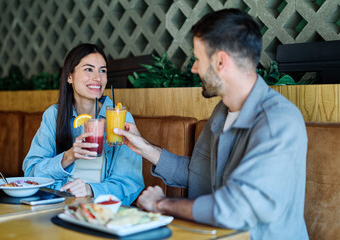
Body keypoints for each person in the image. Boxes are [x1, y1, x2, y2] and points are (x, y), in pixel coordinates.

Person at [114, 9, 309, 239]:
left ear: (220, 61)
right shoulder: (221, 112)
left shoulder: (278, 122)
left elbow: (235, 210)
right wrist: (144, 148)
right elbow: (199, 174)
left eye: (198, 59)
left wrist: (161, 204)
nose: (194, 68)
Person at [23, 43, 144, 205]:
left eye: (102, 71)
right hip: (56, 204)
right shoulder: (54, 115)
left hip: (101, 209)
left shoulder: (121, 117)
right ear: (69, 76)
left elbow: (130, 183)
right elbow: (30, 173)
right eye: (88, 69)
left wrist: (89, 189)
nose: (98, 78)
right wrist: (68, 156)